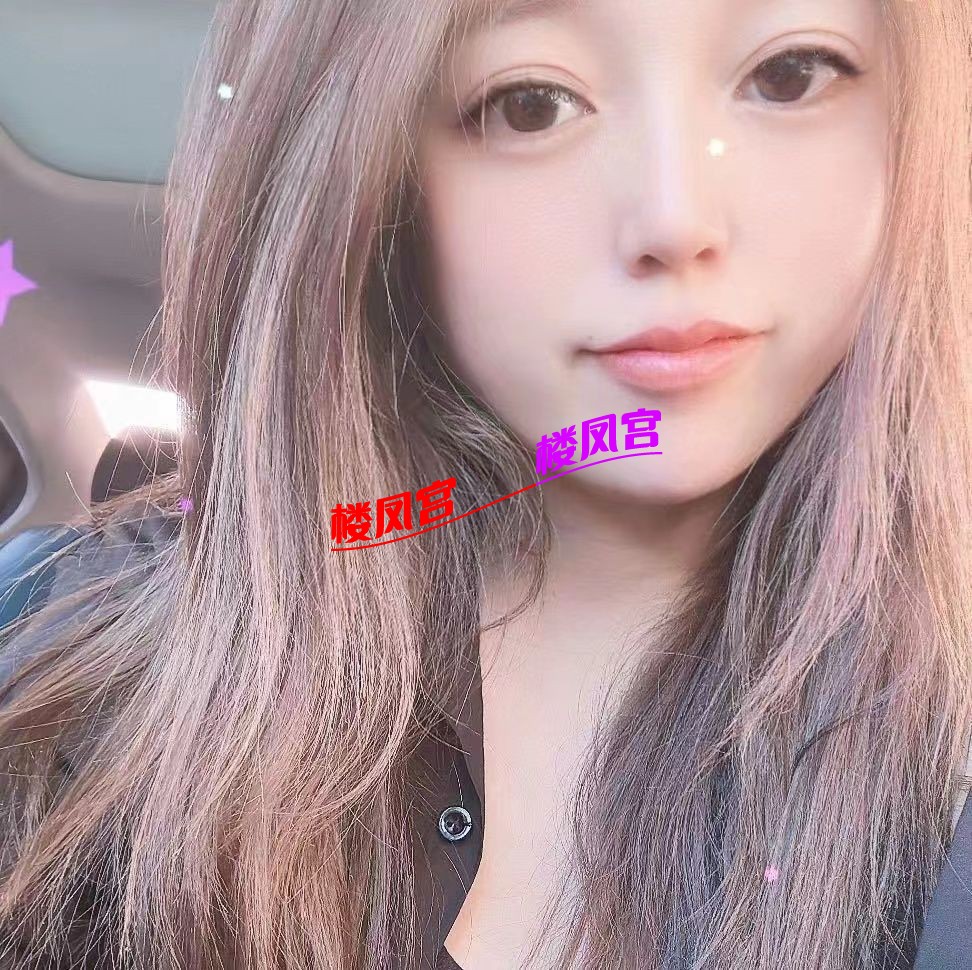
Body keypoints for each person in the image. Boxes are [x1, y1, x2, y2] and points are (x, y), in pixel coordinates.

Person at [0, 0, 970, 968]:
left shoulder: (939, 755)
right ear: (371, 174)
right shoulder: (58, 652)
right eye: (530, 103)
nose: (678, 218)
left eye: (790, 76)